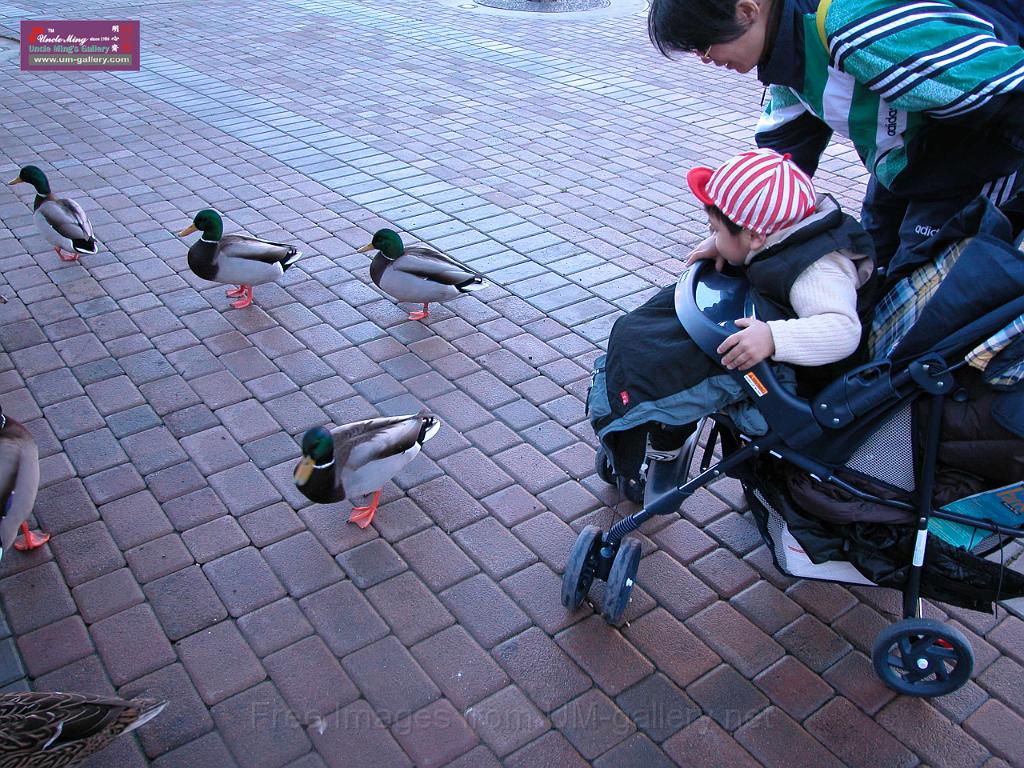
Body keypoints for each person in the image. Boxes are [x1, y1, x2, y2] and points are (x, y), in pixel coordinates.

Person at [646, 0, 1024, 285]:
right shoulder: (788, 49)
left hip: (975, 166)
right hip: (900, 165)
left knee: (921, 293)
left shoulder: (854, 29)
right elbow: (779, 163)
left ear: (747, 10)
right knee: (869, 268)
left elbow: (1005, 89)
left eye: (704, 44)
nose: (705, 59)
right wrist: (731, 234)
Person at [589, 148, 875, 502]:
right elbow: (764, 246)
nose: (712, 234)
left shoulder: (817, 272)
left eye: (715, 228)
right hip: (761, 312)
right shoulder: (779, 232)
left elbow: (843, 330)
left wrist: (774, 337)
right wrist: (722, 243)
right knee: (644, 333)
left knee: (670, 369)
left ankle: (663, 430)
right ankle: (657, 426)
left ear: (755, 236)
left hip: (797, 379)